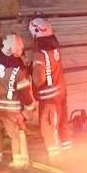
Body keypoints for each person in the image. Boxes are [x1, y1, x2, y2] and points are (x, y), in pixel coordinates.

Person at [0, 33, 34, 169]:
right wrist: (30, 107)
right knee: (16, 135)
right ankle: (19, 163)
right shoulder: (20, 68)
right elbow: (24, 92)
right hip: (10, 110)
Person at [28, 17, 69, 159]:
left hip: (48, 98)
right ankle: (69, 154)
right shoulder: (55, 49)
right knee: (62, 124)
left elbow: (39, 79)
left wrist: (29, 72)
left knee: (48, 128)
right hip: (60, 93)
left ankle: (56, 158)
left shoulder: (40, 53)